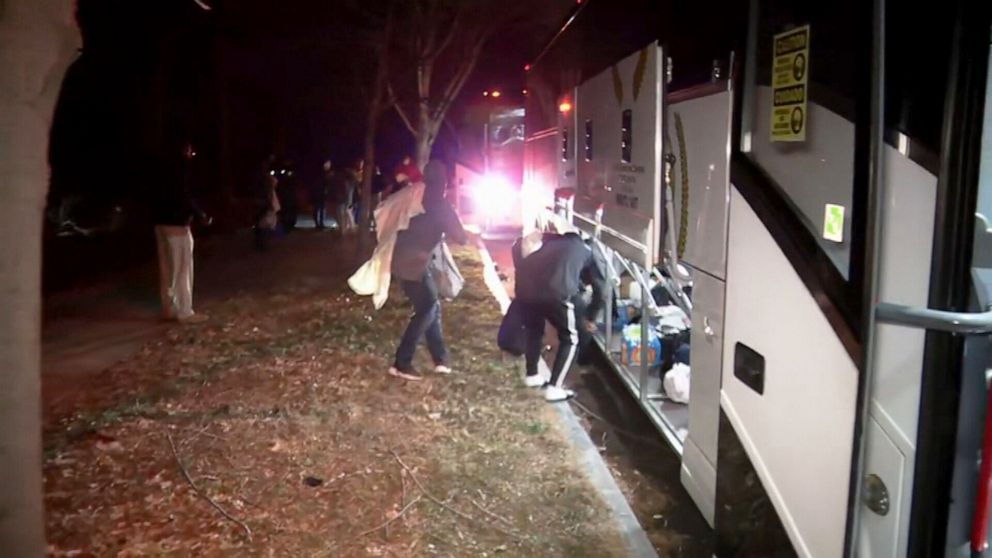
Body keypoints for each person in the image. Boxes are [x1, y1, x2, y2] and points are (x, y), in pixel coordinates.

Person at [388, 160, 468, 381]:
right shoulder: (441, 205)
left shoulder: (415, 196)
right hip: (413, 264)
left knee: (431, 305)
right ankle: (402, 363)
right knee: (427, 308)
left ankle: (440, 359)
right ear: (444, 181)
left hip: (399, 259)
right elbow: (461, 237)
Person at [514, 217, 607, 401]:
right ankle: (555, 387)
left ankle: (532, 375)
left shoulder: (551, 243)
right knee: (571, 338)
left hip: (526, 292)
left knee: (534, 331)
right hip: (557, 293)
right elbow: (601, 289)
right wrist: (591, 317)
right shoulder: (587, 250)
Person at [153, 143, 211, 324]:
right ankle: (185, 311)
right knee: (182, 268)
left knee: (167, 269)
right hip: (177, 224)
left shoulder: (159, 168)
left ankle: (169, 308)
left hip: (160, 222)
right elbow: (185, 195)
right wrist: (200, 214)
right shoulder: (181, 171)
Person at [311, 160, 331, 229]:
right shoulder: (323, 174)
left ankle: (319, 223)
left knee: (320, 208)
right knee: (318, 208)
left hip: (320, 192)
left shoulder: (323, 174)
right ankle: (318, 223)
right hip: (319, 192)